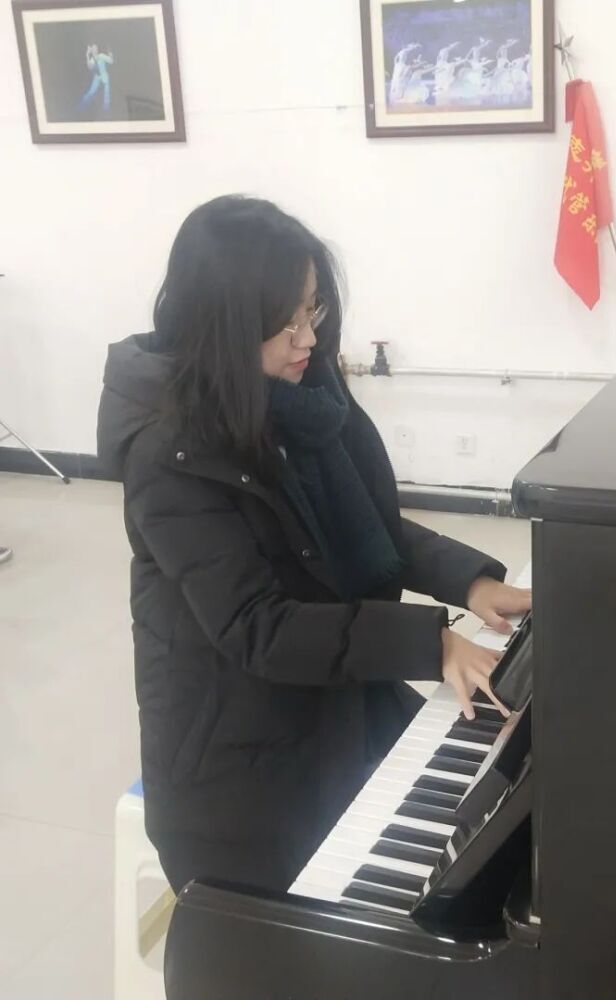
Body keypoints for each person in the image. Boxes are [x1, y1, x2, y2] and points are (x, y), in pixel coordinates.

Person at [96, 195, 531, 894]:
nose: (306, 339)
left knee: (485, 821)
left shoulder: (293, 401)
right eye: (284, 322)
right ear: (224, 324)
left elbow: (358, 529)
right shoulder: (166, 453)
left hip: (330, 702)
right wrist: (434, 643)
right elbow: (258, 627)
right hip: (238, 779)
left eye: (312, 310)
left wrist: (472, 582)